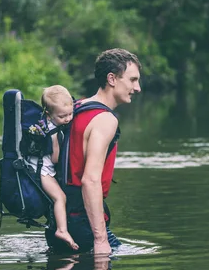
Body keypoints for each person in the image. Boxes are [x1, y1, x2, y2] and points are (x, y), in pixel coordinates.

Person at [46, 48, 142, 254]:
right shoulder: (105, 120)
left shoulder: (76, 108)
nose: (138, 87)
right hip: (82, 224)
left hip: (59, 220)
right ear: (112, 79)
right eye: (133, 80)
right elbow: (90, 180)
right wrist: (100, 239)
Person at [26, 85, 78, 250]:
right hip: (42, 172)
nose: (68, 119)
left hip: (40, 168)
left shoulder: (45, 122)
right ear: (49, 114)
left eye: (70, 114)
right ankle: (62, 230)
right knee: (60, 198)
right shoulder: (53, 131)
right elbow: (55, 158)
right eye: (62, 116)